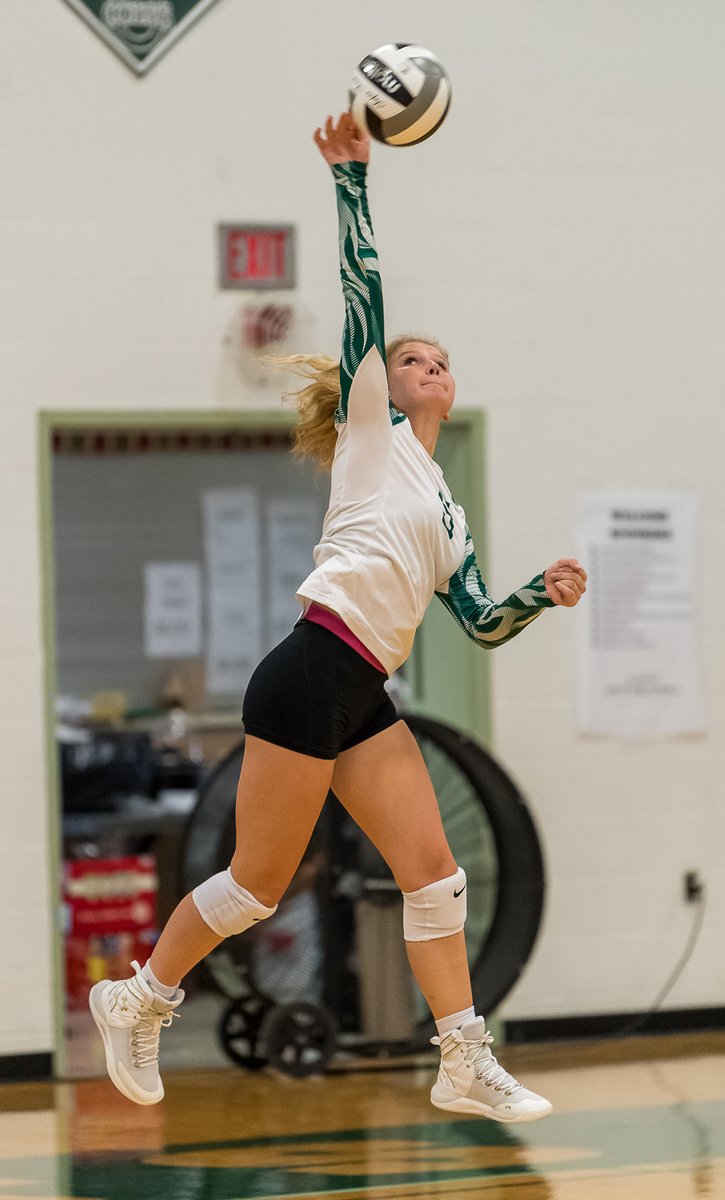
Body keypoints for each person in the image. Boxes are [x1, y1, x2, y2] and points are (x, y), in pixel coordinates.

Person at [90, 112, 587, 1123]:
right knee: (253, 887)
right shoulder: (373, 431)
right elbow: (366, 296)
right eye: (411, 358)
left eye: (440, 358)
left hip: (363, 687)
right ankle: (136, 996)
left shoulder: (446, 509)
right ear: (383, 383)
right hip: (310, 665)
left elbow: (482, 623)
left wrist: (541, 591)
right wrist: (352, 181)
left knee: (434, 875)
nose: (427, 364)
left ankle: (461, 1057)